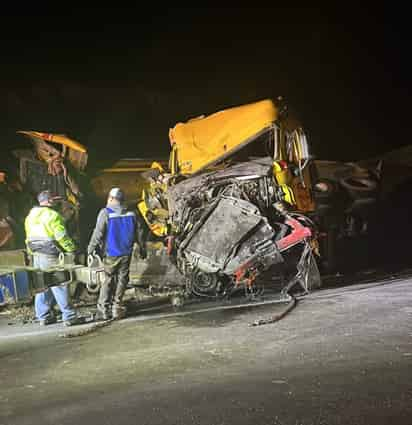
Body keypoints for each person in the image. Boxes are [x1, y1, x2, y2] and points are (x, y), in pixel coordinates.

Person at [87, 187, 147, 320]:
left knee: (107, 280)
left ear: (112, 199)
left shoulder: (106, 213)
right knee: (122, 279)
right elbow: (140, 232)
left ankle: (103, 310)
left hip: (111, 253)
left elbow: (98, 233)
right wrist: (143, 248)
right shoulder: (132, 213)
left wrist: (90, 249)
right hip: (126, 252)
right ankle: (117, 307)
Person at [24, 190, 82, 326]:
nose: (57, 203)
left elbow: (28, 237)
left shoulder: (30, 216)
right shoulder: (53, 215)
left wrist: (30, 253)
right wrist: (72, 249)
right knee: (59, 284)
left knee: (43, 285)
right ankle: (69, 316)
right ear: (49, 201)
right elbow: (61, 236)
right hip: (50, 254)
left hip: (36, 254)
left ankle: (43, 316)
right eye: (55, 200)